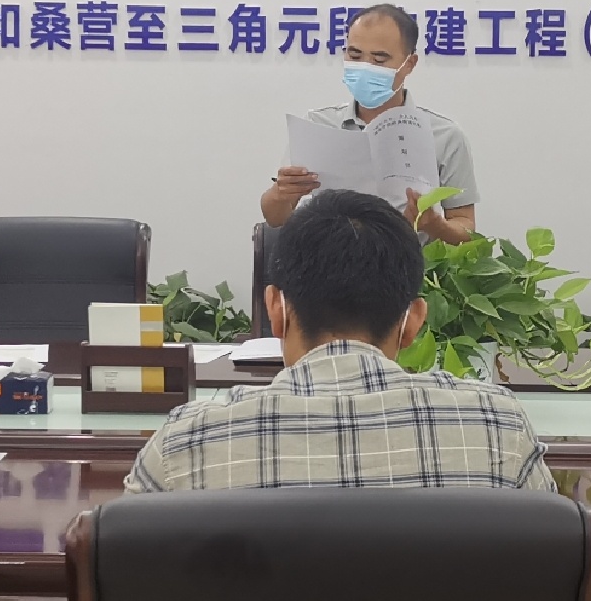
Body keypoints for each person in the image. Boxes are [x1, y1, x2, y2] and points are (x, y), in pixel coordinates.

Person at [129, 188, 552, 493]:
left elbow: (123, 574)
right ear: (413, 322)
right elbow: (553, 567)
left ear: (276, 311)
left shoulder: (184, 443)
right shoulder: (499, 428)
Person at [261, 2, 479, 244]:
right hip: (331, 261)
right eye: (355, 56)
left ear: (409, 64)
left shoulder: (445, 136)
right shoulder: (318, 125)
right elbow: (275, 218)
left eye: (379, 59)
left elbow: (466, 227)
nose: (365, 67)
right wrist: (281, 194)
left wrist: (436, 226)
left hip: (415, 264)